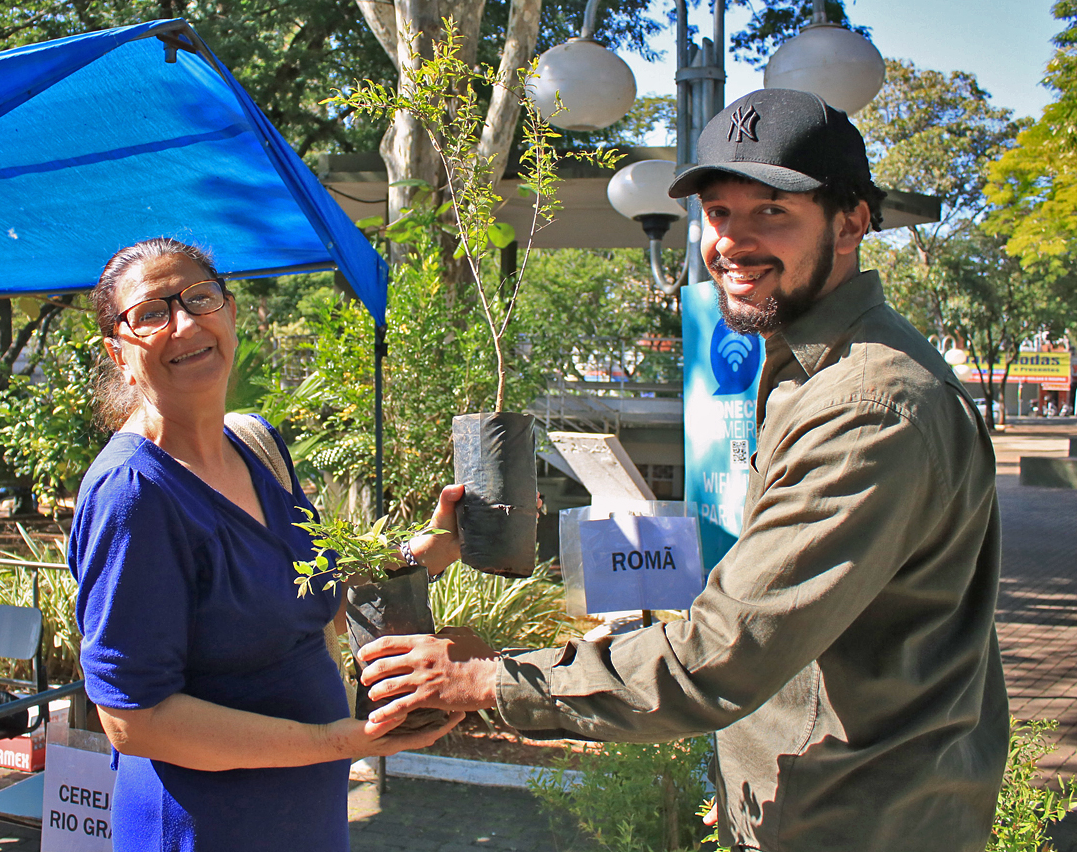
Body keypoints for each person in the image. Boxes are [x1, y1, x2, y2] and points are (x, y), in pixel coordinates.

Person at [359, 89, 1009, 852]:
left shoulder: (866, 405)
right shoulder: (813, 369)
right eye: (719, 212)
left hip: (854, 823)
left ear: (851, 221)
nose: (732, 241)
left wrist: (490, 680)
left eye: (772, 211)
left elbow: (723, 654)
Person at [68, 238, 463, 852]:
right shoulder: (134, 494)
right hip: (203, 828)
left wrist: (435, 546)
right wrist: (337, 741)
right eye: (150, 314)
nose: (185, 324)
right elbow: (133, 720)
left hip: (305, 814)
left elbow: (319, 597)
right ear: (119, 351)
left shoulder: (257, 446)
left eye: (199, 298)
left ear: (228, 312)